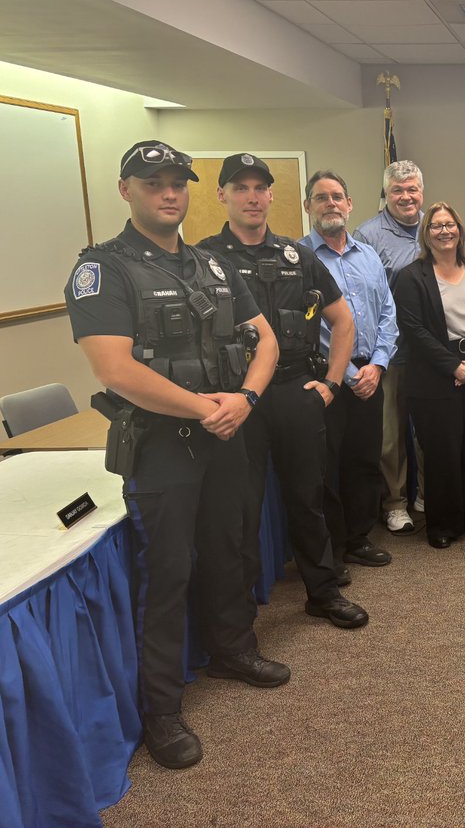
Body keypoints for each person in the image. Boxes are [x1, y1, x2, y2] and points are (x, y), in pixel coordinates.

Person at [64, 140, 289, 770]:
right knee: (165, 576)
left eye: (177, 182)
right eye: (153, 181)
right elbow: (116, 369)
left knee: (229, 549)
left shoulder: (211, 267)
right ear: (125, 189)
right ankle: (161, 710)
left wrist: (245, 397)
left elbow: (265, 340)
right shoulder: (103, 269)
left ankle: (231, 649)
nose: (169, 192)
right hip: (163, 447)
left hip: (225, 435)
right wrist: (207, 409)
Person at [196, 154, 368, 630]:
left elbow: (342, 320)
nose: (252, 196)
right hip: (237, 398)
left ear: (273, 195)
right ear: (222, 195)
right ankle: (241, 614)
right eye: (241, 187)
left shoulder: (299, 256)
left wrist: (332, 384)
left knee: (307, 497)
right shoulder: (205, 259)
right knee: (241, 506)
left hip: (296, 388)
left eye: (260, 188)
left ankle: (324, 592)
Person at [299, 171, 398, 576]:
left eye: (337, 196)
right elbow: (312, 326)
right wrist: (351, 373)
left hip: (371, 375)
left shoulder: (369, 255)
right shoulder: (300, 258)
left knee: (363, 459)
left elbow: (388, 312)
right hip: (326, 380)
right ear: (308, 207)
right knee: (324, 467)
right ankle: (331, 549)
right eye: (321, 198)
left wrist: (377, 364)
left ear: (350, 204)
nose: (331, 204)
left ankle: (358, 538)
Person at [393, 203, 465, 548]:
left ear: (459, 229)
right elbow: (413, 329)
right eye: (436, 226)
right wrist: (453, 366)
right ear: (427, 234)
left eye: (450, 224)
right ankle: (442, 524)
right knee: (442, 452)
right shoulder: (412, 276)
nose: (444, 231)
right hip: (433, 377)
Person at [354, 160, 425, 536]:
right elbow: (368, 299)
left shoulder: (435, 226)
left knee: (430, 425)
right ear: (386, 193)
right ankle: (395, 502)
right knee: (391, 435)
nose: (406, 196)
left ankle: (427, 495)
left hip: (432, 351)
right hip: (392, 351)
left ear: (421, 192)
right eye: (397, 190)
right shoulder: (367, 235)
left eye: (412, 189)